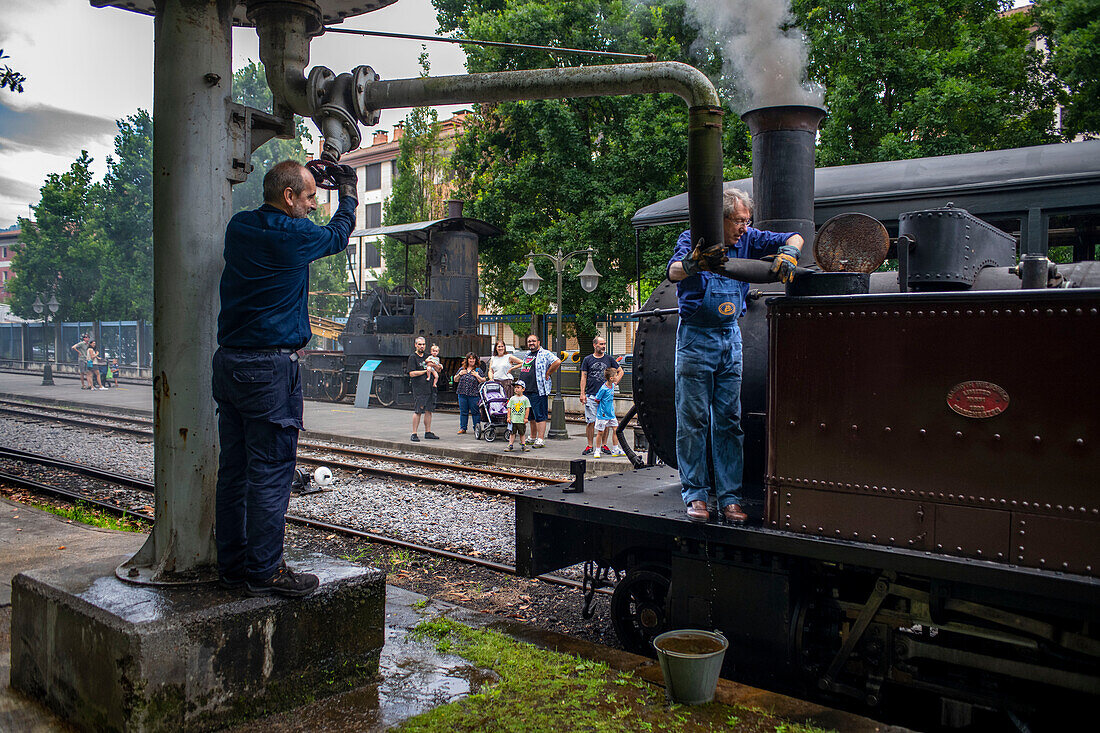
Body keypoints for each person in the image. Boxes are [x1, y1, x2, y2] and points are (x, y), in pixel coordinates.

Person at [213, 158, 357, 597]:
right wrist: (348, 193)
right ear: (289, 196)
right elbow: (336, 237)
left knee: (234, 471)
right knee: (272, 473)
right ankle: (266, 572)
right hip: (269, 370)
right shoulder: (294, 235)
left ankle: (233, 567)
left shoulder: (239, 226)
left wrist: (310, 174)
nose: (315, 205)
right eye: (311, 196)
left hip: (230, 364)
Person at [667, 187, 803, 524]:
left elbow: (797, 236)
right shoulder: (692, 238)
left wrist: (788, 252)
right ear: (722, 219)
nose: (745, 227)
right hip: (696, 339)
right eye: (739, 221)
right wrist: (692, 263)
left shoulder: (750, 237)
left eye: (747, 221)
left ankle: (729, 498)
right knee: (693, 421)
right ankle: (696, 495)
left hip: (730, 338)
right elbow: (673, 272)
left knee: (729, 420)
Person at [578, 336, 623, 455]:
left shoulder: (609, 359)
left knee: (606, 423)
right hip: (591, 395)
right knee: (591, 422)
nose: (603, 346)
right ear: (595, 345)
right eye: (601, 344)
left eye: (604, 344)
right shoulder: (587, 359)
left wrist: (615, 381)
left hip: (605, 399)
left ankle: (604, 445)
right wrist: (582, 393)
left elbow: (620, 370)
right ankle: (589, 445)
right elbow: (584, 376)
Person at [514, 334, 560, 448]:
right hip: (527, 389)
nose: (531, 343)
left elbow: (557, 362)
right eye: (529, 341)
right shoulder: (528, 354)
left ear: (538, 342)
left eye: (533, 341)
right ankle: (533, 437)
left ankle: (540, 439)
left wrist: (548, 373)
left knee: (540, 415)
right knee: (531, 416)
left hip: (538, 390)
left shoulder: (545, 353)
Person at [407, 336, 439, 441]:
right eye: (420, 344)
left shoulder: (428, 356)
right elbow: (411, 373)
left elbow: (436, 368)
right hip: (419, 388)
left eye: (423, 344)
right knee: (418, 411)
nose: (422, 346)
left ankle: (428, 432)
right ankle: (414, 433)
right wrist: (425, 371)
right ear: (415, 345)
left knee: (429, 410)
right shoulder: (413, 357)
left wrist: (438, 367)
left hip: (430, 387)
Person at [591, 367, 625, 459]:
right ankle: (597, 450)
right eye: (615, 376)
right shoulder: (603, 389)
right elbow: (597, 399)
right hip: (602, 414)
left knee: (616, 430)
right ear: (611, 378)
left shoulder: (613, 385)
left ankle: (615, 448)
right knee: (600, 432)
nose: (617, 377)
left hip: (611, 414)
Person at [454, 351, 486, 434]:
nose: (471, 360)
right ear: (467, 360)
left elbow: (483, 380)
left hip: (474, 394)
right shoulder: (462, 369)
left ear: (476, 360)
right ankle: (463, 428)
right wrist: (460, 374)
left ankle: (476, 428)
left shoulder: (478, 370)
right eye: (470, 359)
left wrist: (477, 375)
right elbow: (455, 379)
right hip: (462, 393)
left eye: (473, 359)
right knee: (463, 411)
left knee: (475, 412)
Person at [506, 381, 531, 452]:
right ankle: (510, 445)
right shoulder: (512, 398)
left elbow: (527, 408)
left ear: (523, 389)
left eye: (518, 387)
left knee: (522, 433)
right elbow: (509, 408)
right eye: (515, 387)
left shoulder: (525, 399)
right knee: (512, 433)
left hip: (521, 420)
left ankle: (523, 445)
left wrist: (526, 418)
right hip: (513, 420)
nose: (516, 389)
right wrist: (508, 417)